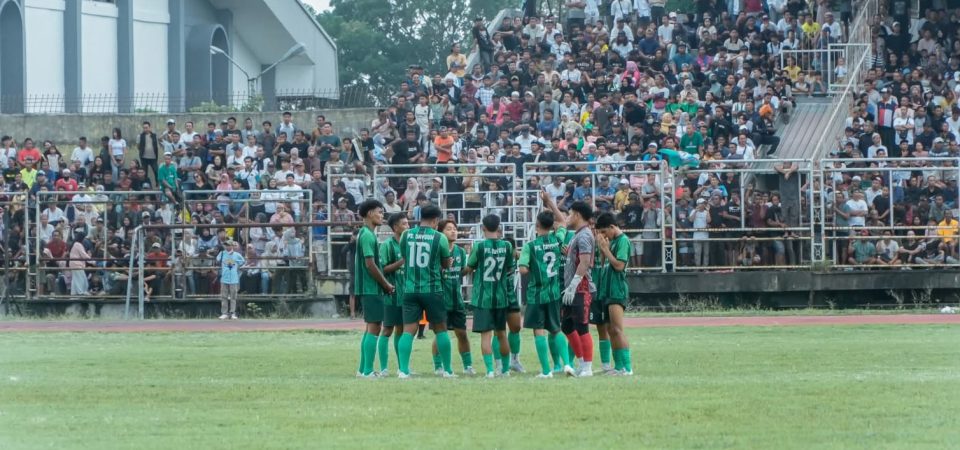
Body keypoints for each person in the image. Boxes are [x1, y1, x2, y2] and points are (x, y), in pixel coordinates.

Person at [396, 205, 452, 378]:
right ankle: (448, 371)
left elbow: (404, 256)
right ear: (435, 220)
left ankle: (403, 370)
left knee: (408, 330)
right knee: (441, 329)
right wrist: (447, 263)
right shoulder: (439, 237)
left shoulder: (406, 234)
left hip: (410, 288)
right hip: (432, 288)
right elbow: (444, 263)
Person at [520, 210, 576, 378]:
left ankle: (546, 371)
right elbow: (563, 223)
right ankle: (567, 364)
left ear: (537, 226)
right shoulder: (558, 239)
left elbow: (523, 270)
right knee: (556, 329)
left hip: (537, 294)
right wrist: (550, 204)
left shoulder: (530, 246)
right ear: (552, 226)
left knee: (539, 331)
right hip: (553, 293)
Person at [464, 214, 516, 378]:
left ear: (483, 228)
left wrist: (457, 269)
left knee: (486, 336)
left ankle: (490, 371)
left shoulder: (479, 247)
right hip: (500, 297)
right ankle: (506, 370)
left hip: (482, 298)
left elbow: (469, 267)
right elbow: (509, 268)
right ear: (499, 227)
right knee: (502, 334)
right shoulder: (507, 246)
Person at [354, 199, 395, 378]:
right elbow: (370, 264)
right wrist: (385, 284)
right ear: (370, 213)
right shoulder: (368, 235)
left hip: (368, 288)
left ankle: (363, 370)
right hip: (371, 288)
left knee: (371, 327)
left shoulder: (365, 233)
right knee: (374, 327)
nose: (382, 215)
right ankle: (368, 371)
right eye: (379, 212)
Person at [432, 219, 475, 375]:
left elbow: (461, 272)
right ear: (441, 232)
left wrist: (470, 267)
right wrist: (443, 268)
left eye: (455, 228)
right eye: (449, 229)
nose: (453, 231)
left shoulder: (460, 252)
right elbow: (433, 273)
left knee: (462, 333)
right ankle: (438, 366)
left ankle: (468, 365)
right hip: (440, 299)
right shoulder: (435, 251)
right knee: (440, 334)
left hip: (456, 299)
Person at [595, 212, 634, 375]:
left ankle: (627, 367)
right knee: (610, 329)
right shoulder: (611, 242)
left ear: (612, 227)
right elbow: (604, 264)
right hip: (607, 288)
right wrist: (602, 250)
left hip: (616, 289)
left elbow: (619, 265)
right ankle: (618, 367)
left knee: (617, 329)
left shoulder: (623, 241)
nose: (603, 236)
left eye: (604, 232)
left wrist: (605, 249)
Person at [561, 201, 596, 377]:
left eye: (570, 214)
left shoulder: (584, 236)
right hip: (571, 287)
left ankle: (587, 367)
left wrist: (574, 284)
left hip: (581, 288)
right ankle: (581, 361)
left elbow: (584, 262)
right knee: (567, 325)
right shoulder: (578, 234)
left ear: (577, 215)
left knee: (582, 326)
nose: (567, 217)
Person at [376, 212, 408, 377]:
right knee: (387, 330)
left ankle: (402, 367)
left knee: (401, 331)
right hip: (391, 294)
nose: (407, 226)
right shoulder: (387, 245)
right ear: (395, 227)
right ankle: (383, 368)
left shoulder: (409, 244)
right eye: (404, 224)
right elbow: (383, 269)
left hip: (407, 295)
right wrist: (402, 261)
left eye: (408, 223)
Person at [216, 240, 245, 320]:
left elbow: (242, 262)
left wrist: (237, 268)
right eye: (226, 245)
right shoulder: (221, 254)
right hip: (224, 278)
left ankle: (232, 312)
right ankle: (224, 313)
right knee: (224, 296)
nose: (227, 246)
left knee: (233, 296)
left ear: (232, 246)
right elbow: (217, 260)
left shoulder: (237, 255)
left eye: (229, 245)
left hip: (234, 278)